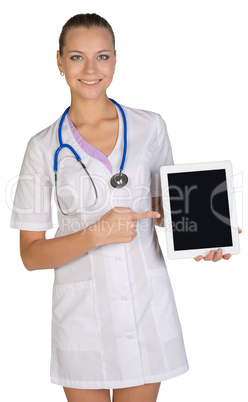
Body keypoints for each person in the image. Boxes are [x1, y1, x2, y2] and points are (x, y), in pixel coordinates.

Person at [10, 13, 239, 402]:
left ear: (115, 59)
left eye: (102, 56)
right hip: (83, 316)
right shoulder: (43, 146)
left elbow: (161, 207)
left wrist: (203, 233)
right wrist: (95, 233)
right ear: (60, 61)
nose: (90, 69)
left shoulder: (150, 126)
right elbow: (31, 256)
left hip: (145, 305)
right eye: (77, 57)